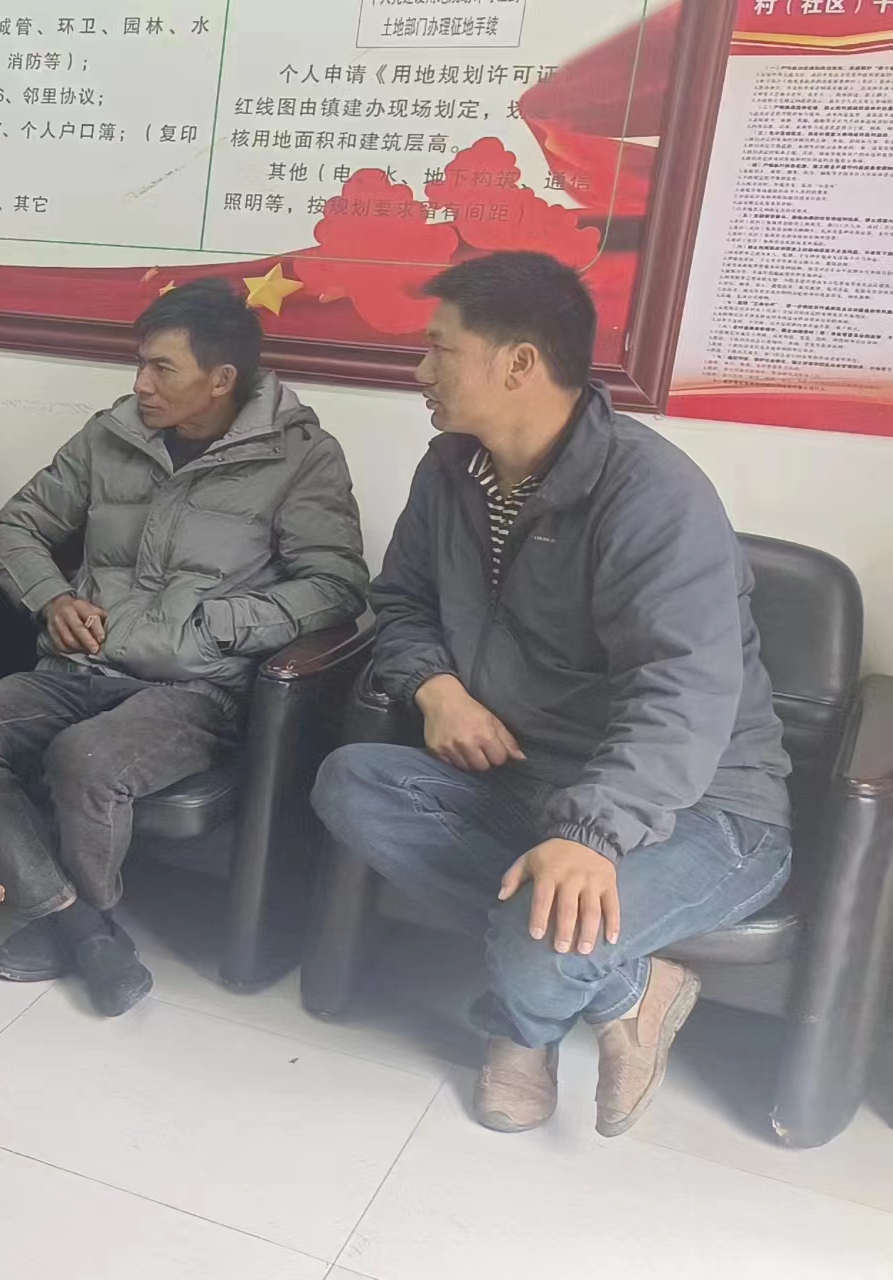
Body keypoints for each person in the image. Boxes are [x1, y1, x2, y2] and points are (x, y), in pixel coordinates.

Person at [313, 251, 791, 1137]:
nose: (420, 371)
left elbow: (683, 690)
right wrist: (437, 689)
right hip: (532, 778)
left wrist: (588, 836)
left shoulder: (652, 495)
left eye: (439, 349)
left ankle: (519, 1030)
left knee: (545, 936)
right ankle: (636, 989)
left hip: (699, 808)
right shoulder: (449, 473)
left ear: (519, 363)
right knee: (350, 781)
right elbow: (403, 602)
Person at [0, 279, 368, 1015]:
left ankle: (66, 924)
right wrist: (51, 598)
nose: (141, 385)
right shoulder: (111, 435)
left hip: (192, 689)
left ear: (220, 379)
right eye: (140, 364)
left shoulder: (301, 457)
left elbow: (336, 586)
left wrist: (221, 626)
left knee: (88, 760)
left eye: (162, 368)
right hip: (79, 663)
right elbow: (17, 526)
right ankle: (80, 926)